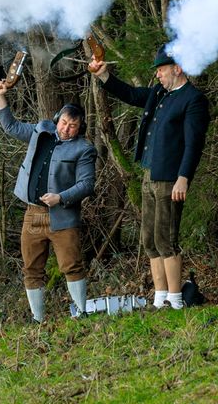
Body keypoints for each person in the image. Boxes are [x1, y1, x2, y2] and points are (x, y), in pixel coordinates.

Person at [89, 46, 209, 309]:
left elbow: (193, 145)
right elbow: (131, 94)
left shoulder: (193, 99)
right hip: (149, 175)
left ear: (177, 68)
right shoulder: (159, 93)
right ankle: (160, 297)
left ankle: (176, 300)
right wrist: (104, 76)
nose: (158, 75)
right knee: (150, 240)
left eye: (161, 69)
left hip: (170, 179)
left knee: (167, 239)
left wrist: (183, 177)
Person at [0, 78, 96, 323]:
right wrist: (0, 96)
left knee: (71, 264)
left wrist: (61, 197)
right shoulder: (41, 130)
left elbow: (86, 184)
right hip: (32, 213)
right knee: (31, 267)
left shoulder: (84, 149)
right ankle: (37, 319)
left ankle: (81, 312)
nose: (66, 128)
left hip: (63, 216)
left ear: (80, 128)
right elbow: (12, 127)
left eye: (72, 125)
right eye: (63, 122)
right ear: (57, 119)